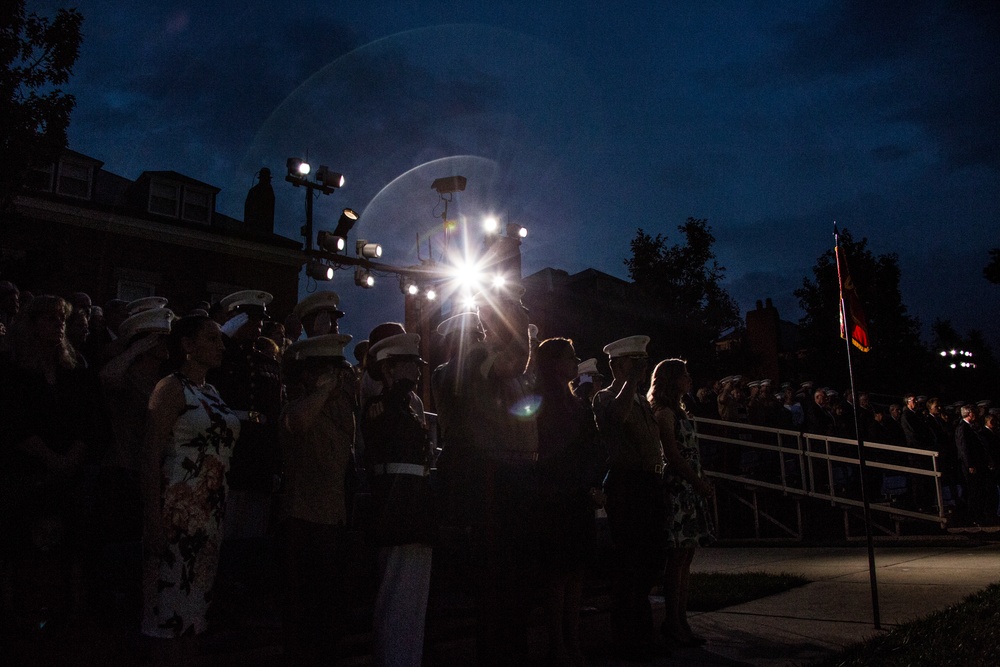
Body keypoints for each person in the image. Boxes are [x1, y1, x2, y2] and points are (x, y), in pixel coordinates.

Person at [140, 315, 240, 659]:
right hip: (176, 514)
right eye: (212, 339)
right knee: (167, 613)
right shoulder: (170, 388)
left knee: (195, 613)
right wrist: (152, 517)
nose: (221, 346)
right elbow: (151, 455)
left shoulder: (211, 391)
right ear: (187, 345)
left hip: (208, 517)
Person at [278, 333, 357, 666]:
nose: (337, 377)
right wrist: (322, 389)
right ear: (309, 374)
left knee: (329, 614)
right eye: (327, 369)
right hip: (302, 519)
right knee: (302, 614)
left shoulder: (340, 411)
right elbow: (298, 422)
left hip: (332, 518)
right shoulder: (299, 404)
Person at [361, 332, 436, 667]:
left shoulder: (406, 408)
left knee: (413, 600)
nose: (417, 371)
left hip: (414, 506)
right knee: (396, 596)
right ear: (389, 369)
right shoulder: (382, 408)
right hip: (396, 508)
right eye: (409, 364)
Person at [593, 334, 666, 661]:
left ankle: (641, 633)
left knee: (650, 560)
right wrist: (632, 381)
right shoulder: (605, 397)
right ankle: (628, 637)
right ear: (616, 365)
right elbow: (617, 420)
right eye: (633, 362)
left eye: (642, 363)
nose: (640, 368)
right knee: (629, 563)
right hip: (626, 483)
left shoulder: (639, 399)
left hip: (649, 482)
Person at [534, 338, 606, 666]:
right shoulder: (542, 401)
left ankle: (573, 639)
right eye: (569, 357)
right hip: (554, 495)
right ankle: (557, 642)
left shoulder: (578, 403)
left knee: (576, 570)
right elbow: (544, 450)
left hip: (578, 494)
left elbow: (593, 447)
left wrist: (593, 484)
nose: (575, 361)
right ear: (553, 363)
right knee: (558, 573)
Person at [648, 358, 715, 648]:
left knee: (687, 558)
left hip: (690, 487)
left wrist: (702, 478)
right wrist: (697, 482)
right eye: (684, 374)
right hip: (678, 488)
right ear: (671, 379)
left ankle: (682, 620)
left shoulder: (680, 411)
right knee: (676, 560)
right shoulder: (663, 413)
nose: (689, 379)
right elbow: (673, 457)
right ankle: (672, 622)